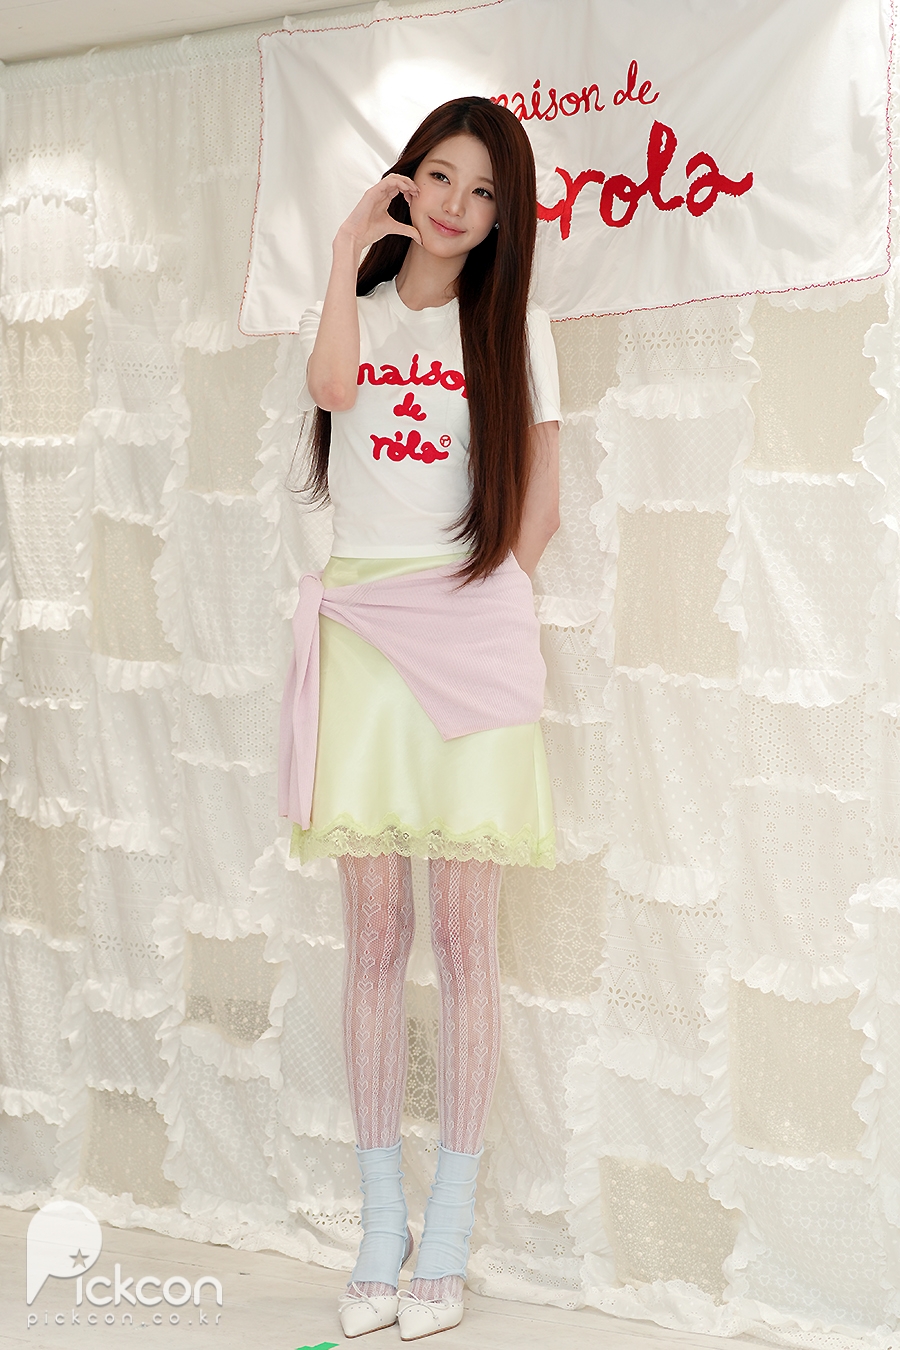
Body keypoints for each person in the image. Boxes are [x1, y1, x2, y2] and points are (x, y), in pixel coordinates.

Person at [279, 95, 560, 1340]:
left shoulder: (518, 330)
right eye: (439, 176)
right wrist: (348, 249)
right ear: (406, 182)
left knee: (464, 933)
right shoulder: (362, 308)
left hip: (472, 626)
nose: (456, 204)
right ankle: (378, 1223)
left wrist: (482, 605)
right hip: (364, 631)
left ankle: (450, 1226)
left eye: (483, 191)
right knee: (376, 936)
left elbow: (542, 505)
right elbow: (331, 387)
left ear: (505, 218)